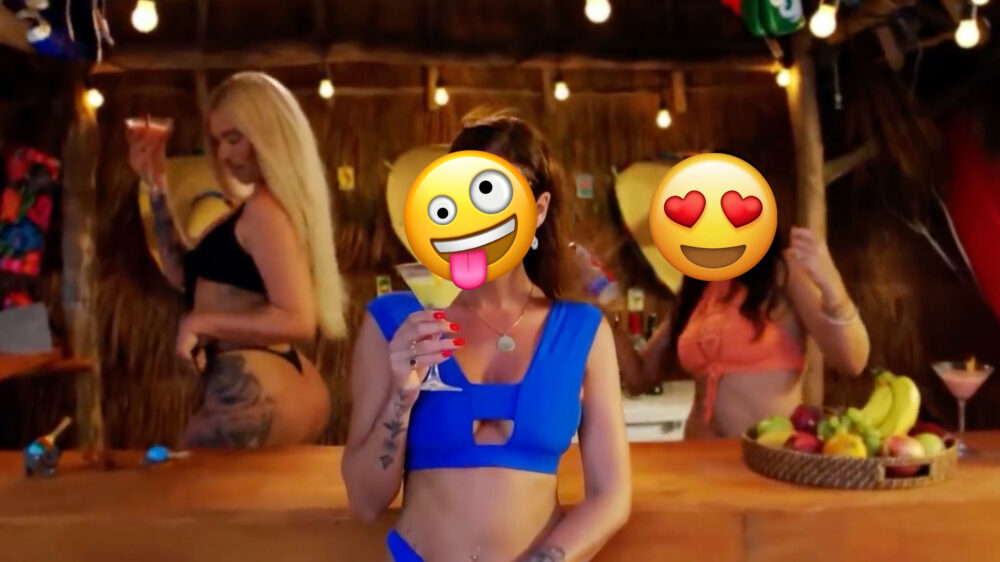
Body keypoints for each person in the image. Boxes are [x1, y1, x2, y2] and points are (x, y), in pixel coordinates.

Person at [342, 108, 631, 561]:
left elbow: (612, 495)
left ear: (538, 210)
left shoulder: (581, 331)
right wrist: (402, 393)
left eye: (493, 195)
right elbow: (365, 501)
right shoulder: (394, 323)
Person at [126, 71, 348, 448]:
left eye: (234, 139)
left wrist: (201, 322)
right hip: (275, 384)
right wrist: (156, 183)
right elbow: (184, 274)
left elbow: (298, 320)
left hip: (255, 393)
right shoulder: (262, 208)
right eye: (218, 142)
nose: (224, 155)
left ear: (268, 134)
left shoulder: (265, 212)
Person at [637, 225, 871, 439]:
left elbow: (853, 361)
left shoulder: (784, 271)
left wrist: (832, 286)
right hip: (697, 456)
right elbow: (640, 377)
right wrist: (610, 316)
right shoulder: (697, 286)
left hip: (767, 458)